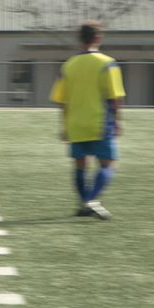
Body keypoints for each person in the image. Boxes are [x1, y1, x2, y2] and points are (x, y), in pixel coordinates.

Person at [49, 20, 124, 220]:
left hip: (75, 124)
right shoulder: (107, 63)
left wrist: (64, 126)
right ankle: (90, 201)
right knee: (108, 165)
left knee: (80, 166)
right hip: (99, 123)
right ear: (98, 38)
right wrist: (117, 120)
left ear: (80, 39)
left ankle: (84, 206)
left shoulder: (68, 65)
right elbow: (115, 97)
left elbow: (61, 101)